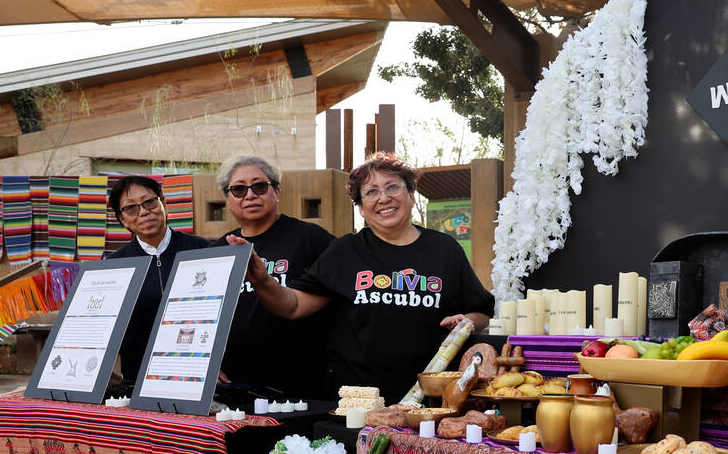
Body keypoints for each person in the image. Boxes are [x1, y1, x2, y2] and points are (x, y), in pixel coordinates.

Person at [228, 152, 493, 404]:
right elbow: (294, 305)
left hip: (428, 399)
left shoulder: (444, 249)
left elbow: (481, 311)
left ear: (411, 195)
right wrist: (262, 280)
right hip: (357, 402)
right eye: (371, 192)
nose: (384, 198)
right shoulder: (345, 251)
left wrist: (467, 322)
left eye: (393, 187)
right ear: (361, 207)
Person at [212, 156, 334, 397]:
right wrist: (203, 364)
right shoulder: (218, 250)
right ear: (228, 199)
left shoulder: (313, 239)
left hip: (301, 383)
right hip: (235, 386)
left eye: (259, 186)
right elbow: (199, 315)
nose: (250, 195)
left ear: (276, 191)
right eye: (238, 189)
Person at [105, 175, 209, 386]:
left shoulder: (202, 249)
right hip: (139, 377)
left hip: (199, 374)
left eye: (150, 202)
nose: (143, 212)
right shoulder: (115, 266)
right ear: (122, 219)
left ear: (164, 203)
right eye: (131, 208)